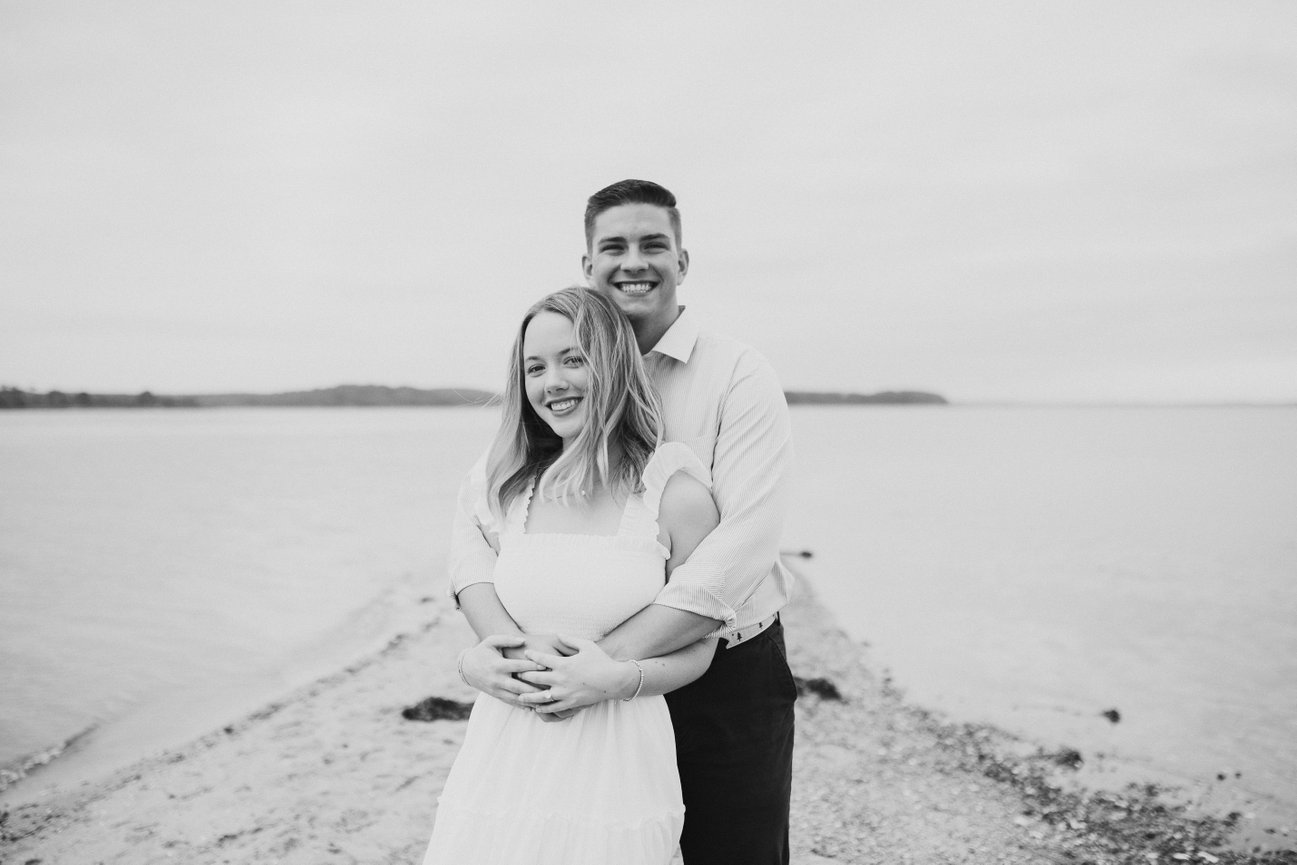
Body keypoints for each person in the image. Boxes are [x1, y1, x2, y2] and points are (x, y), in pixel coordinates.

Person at [450, 180, 797, 865]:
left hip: (723, 662)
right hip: (569, 675)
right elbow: (478, 527)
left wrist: (608, 662)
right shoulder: (556, 388)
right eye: (613, 246)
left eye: (652, 244)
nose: (632, 261)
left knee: (733, 850)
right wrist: (504, 655)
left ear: (681, 260)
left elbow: (743, 544)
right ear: (588, 264)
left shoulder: (736, 373)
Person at [424, 287, 721, 864]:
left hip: (619, 759)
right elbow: (480, 609)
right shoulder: (505, 489)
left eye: (573, 359)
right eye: (535, 367)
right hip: (504, 753)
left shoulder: (675, 492)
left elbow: (700, 647)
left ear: (611, 361)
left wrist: (610, 680)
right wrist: (472, 664)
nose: (552, 382)